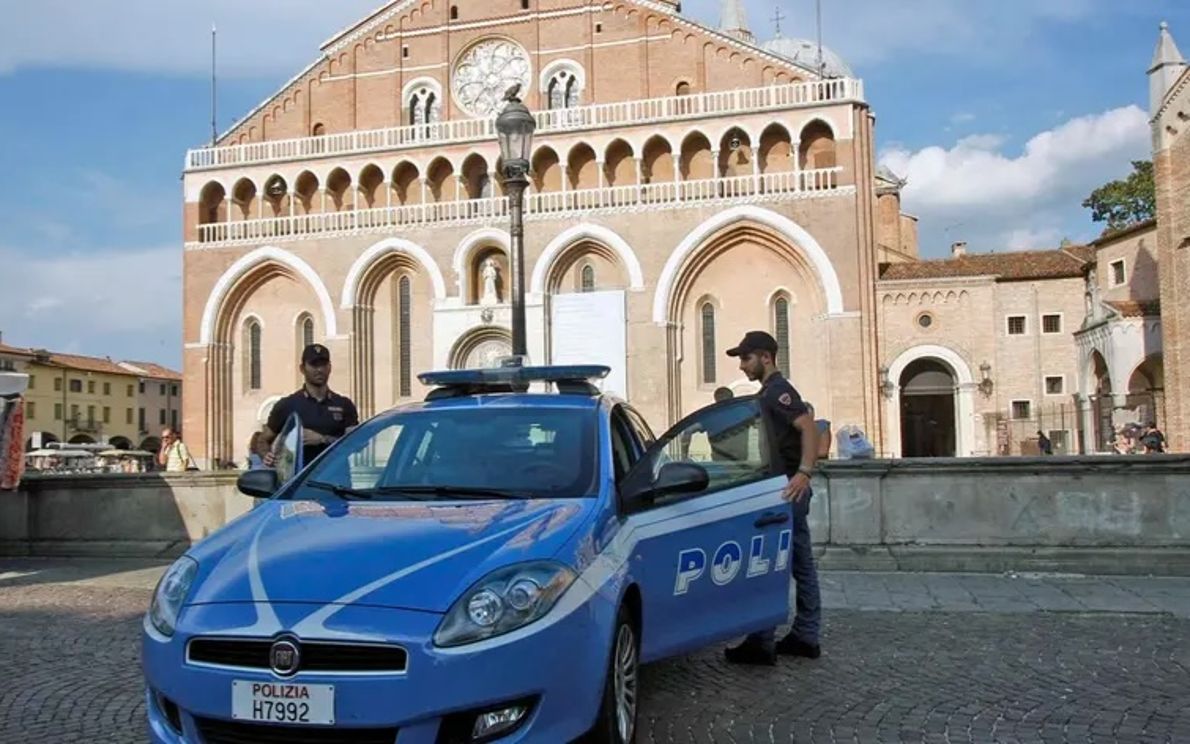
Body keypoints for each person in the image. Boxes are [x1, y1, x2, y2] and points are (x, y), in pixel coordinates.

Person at [722, 331, 821, 666]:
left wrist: (804, 472)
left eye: (746, 358)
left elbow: (809, 427)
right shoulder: (769, 391)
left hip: (786, 489)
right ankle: (801, 634)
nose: (741, 365)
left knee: (773, 562)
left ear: (765, 357)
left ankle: (767, 639)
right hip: (782, 487)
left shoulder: (779, 391)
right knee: (793, 561)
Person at [257, 344, 360, 467]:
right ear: (302, 368)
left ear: (330, 368)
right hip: (299, 481)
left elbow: (356, 444)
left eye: (323, 365)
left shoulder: (344, 405)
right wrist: (266, 455)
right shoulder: (287, 405)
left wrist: (322, 440)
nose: (319, 370)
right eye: (314, 365)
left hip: (335, 481)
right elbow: (262, 440)